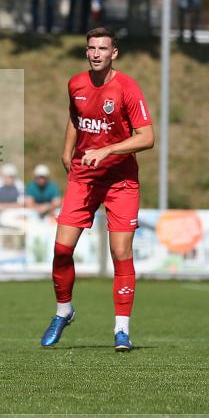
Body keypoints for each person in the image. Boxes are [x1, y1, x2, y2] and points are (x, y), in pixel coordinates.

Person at [40, 26, 153, 352]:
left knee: (120, 252)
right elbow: (76, 119)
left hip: (121, 181)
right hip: (84, 177)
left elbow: (147, 137)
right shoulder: (76, 83)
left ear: (113, 53)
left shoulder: (127, 88)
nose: (96, 53)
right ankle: (64, 311)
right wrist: (66, 151)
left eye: (103, 48)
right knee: (62, 250)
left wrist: (106, 150)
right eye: (91, 48)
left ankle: (121, 330)